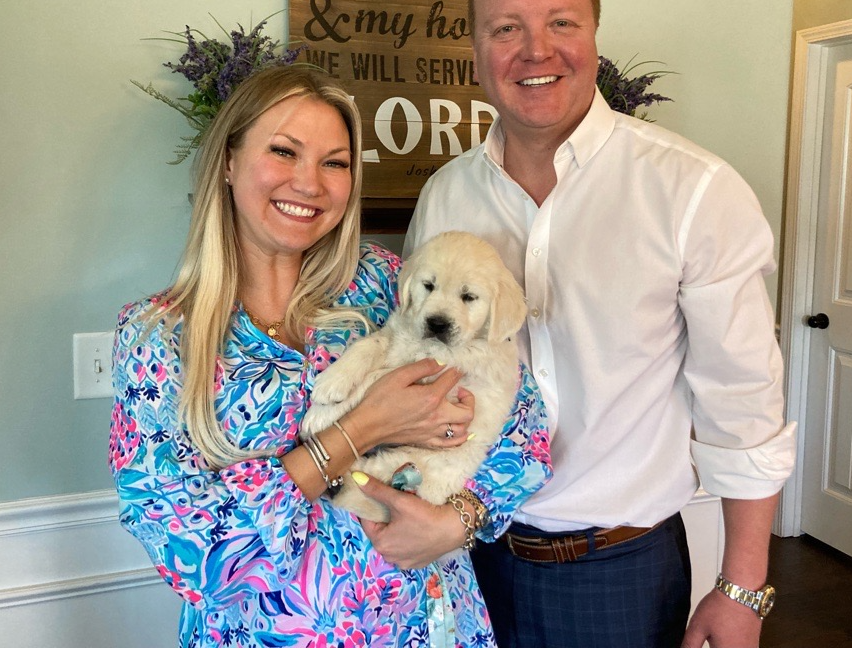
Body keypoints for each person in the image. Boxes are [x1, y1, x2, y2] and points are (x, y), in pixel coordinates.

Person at [404, 0, 797, 648]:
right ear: (475, 50)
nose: (536, 49)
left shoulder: (692, 190)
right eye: (506, 28)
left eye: (561, 22)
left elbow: (743, 403)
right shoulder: (444, 197)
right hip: (466, 557)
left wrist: (742, 588)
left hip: (621, 570)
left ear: (594, 34)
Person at [109, 64, 551, 648]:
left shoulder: (385, 283)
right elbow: (192, 555)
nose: (310, 183)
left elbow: (528, 431)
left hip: (431, 627)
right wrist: (362, 428)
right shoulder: (157, 338)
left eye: (335, 162)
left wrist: (457, 519)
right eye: (284, 151)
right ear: (229, 161)